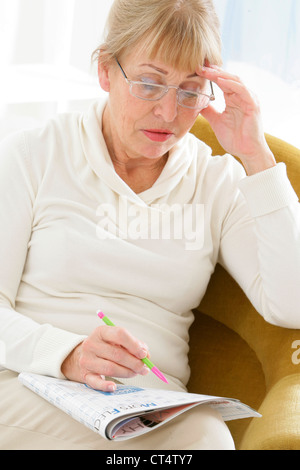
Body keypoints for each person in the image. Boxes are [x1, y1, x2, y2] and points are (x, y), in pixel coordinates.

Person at [0, 0, 299, 451]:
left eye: (190, 90)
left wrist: (255, 155)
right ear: (104, 70)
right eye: (149, 83)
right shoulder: (33, 154)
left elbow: (292, 303)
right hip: (28, 385)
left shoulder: (217, 180)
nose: (168, 112)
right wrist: (65, 354)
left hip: (149, 413)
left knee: (205, 439)